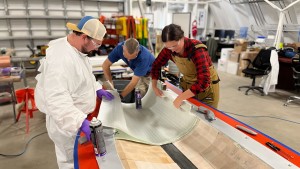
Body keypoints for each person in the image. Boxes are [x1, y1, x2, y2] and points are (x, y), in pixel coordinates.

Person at [34, 16, 114, 169]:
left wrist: (97, 89)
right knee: (71, 161)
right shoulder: (61, 60)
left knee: (79, 158)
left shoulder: (77, 51)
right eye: (96, 43)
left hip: (76, 116)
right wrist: (79, 122)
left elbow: (85, 76)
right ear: (84, 37)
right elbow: (57, 100)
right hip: (66, 123)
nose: (97, 48)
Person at [151, 24, 220, 108]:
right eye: (168, 47)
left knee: (206, 117)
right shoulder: (169, 50)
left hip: (207, 89)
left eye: (175, 46)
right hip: (190, 87)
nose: (172, 50)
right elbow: (156, 65)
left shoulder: (197, 49)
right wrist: (154, 86)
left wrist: (180, 98)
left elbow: (204, 81)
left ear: (182, 38)